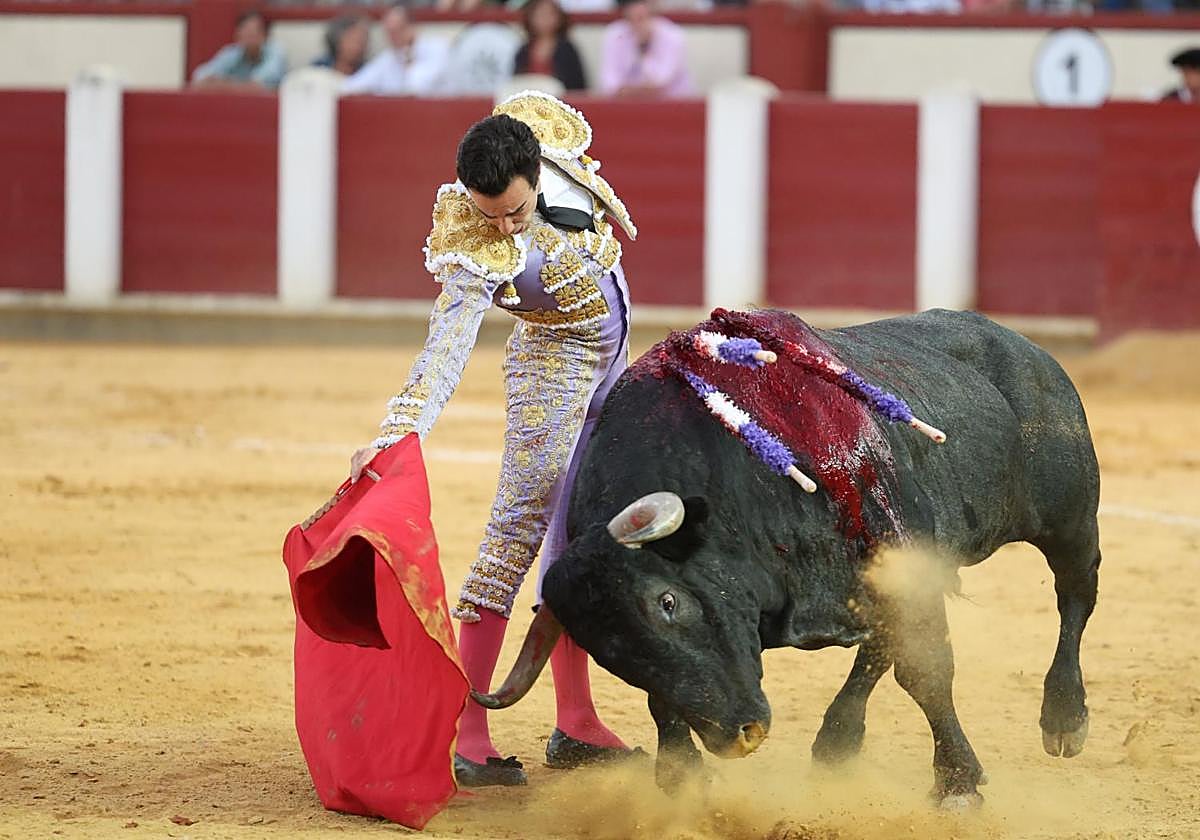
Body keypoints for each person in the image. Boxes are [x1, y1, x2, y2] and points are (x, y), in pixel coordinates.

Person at [348, 91, 638, 787]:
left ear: (536, 171)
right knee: (513, 540)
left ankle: (575, 720)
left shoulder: (540, 139)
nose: (504, 226)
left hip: (612, 371)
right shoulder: (468, 242)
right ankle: (466, 731)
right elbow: (445, 346)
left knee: (577, 541)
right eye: (490, 214)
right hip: (552, 373)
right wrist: (398, 432)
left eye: (514, 208)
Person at [342, 3, 449, 96]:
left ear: (412, 26)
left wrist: (409, 56)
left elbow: (417, 90)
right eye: (389, 32)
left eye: (397, 30)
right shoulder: (388, 57)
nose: (393, 38)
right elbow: (352, 86)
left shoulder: (438, 49)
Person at [598, 0, 693, 99]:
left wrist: (643, 46)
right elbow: (609, 82)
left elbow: (660, 82)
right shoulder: (614, 34)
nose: (638, 23)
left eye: (642, 17)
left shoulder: (672, 35)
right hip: (625, 104)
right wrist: (627, 91)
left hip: (670, 105)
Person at [192, 9, 287, 91]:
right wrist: (236, 85)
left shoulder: (275, 52)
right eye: (244, 32)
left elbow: (259, 85)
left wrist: (222, 84)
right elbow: (199, 77)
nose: (248, 37)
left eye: (252, 33)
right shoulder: (232, 53)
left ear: (265, 35)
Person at [512, 0, 588, 92]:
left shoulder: (567, 49)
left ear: (559, 18)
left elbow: (577, 85)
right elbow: (516, 81)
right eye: (539, 15)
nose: (545, 19)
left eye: (549, 14)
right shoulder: (523, 50)